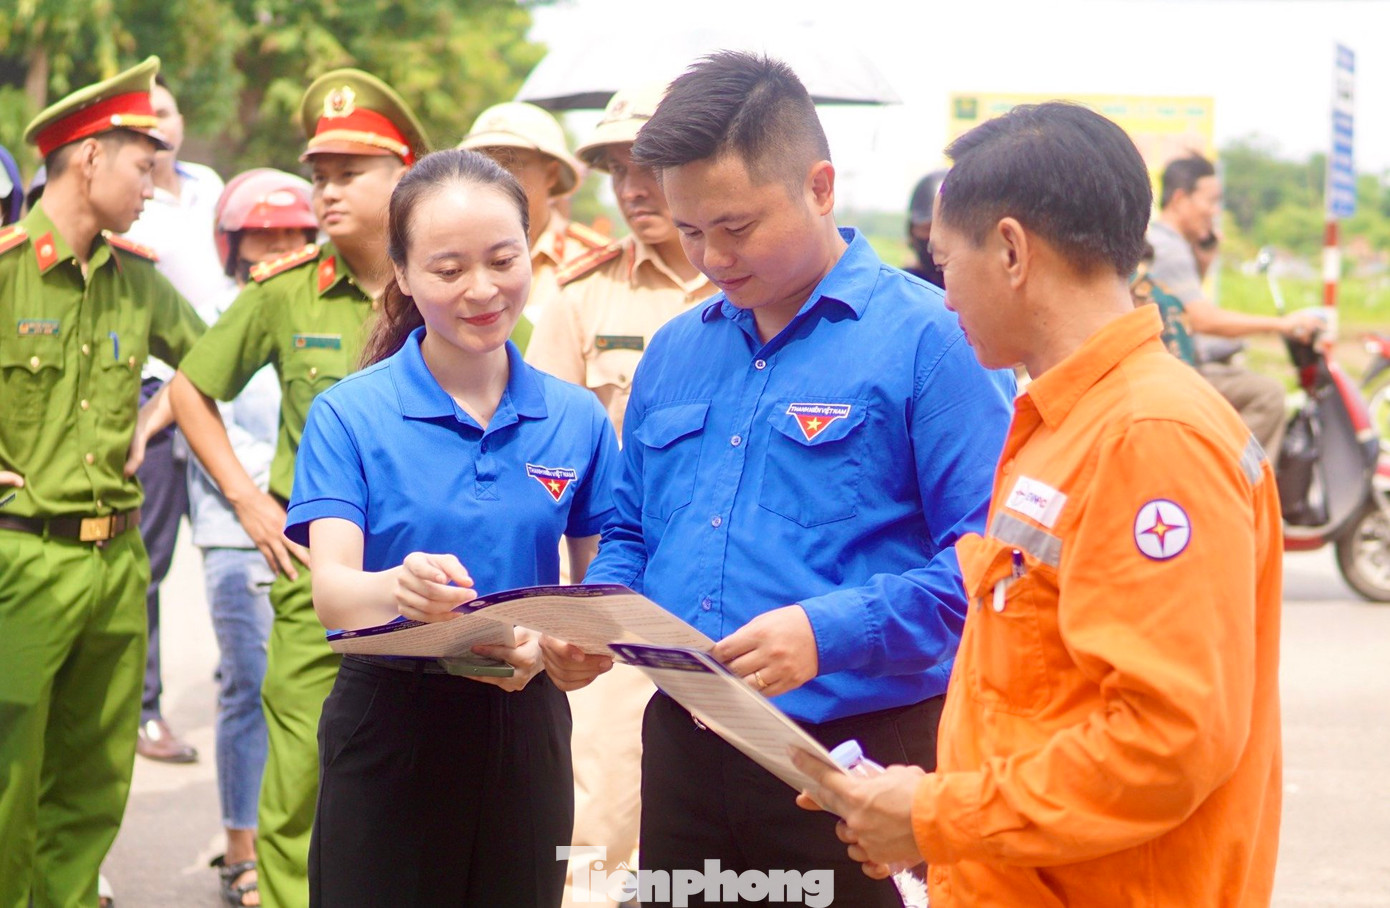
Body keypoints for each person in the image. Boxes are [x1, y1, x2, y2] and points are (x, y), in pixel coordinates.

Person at [540, 52, 1014, 907]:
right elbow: (634, 530)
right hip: (689, 746)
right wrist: (596, 618)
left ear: (820, 186)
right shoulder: (678, 351)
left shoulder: (929, 339)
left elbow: (987, 563)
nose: (713, 256)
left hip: (859, 760)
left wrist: (829, 632)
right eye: (689, 232)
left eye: (736, 225)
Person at [794, 102, 1283, 908]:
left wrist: (938, 813)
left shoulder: (1149, 438)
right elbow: (1043, 696)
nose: (943, 295)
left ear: (1013, 251)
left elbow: (1166, 744)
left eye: (946, 262)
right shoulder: (1067, 421)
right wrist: (919, 807)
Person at [285, 148, 619, 906]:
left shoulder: (575, 417)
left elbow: (601, 575)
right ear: (401, 273)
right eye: (447, 270)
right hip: (393, 720)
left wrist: (574, 643)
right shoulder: (351, 414)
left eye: (503, 260)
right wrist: (398, 587)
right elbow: (334, 596)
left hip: (524, 722)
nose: (482, 290)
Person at [167, 69, 426, 908]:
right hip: (317, 584)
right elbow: (188, 388)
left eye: (351, 172)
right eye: (318, 173)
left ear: (406, 173)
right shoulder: (284, 294)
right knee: (300, 790)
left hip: (435, 583)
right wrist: (248, 500)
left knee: (425, 783)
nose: (326, 191)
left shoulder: (453, 286)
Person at [0, 56, 206, 907]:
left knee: (91, 782)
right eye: (140, 164)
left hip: (118, 568)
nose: (153, 185)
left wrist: (156, 419)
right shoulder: (6, 269)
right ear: (88, 159)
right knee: (9, 780)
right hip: (22, 565)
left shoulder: (141, 281)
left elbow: (213, 364)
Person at [524, 82, 715, 907]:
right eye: (613, 169)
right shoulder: (579, 295)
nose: (632, 187)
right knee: (599, 828)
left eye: (647, 164)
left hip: (741, 608)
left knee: (723, 842)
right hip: (619, 593)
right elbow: (542, 456)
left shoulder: (757, 291)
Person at [191, 168, 319, 908]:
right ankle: (243, 844)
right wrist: (256, 504)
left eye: (290, 233)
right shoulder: (223, 310)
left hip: (313, 536)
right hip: (240, 529)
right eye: (260, 234)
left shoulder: (316, 301)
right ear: (231, 244)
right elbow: (199, 402)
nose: (276, 244)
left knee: (306, 700)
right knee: (248, 684)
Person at [123, 72, 233, 765]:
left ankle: (242, 693)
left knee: (238, 551)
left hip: (226, 389)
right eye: (145, 116)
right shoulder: (128, 205)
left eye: (166, 110)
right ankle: (143, 711)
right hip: (157, 395)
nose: (159, 124)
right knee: (149, 562)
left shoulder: (212, 187)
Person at [1147, 153, 1319, 458]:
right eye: (1211, 201)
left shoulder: (1164, 242)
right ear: (1179, 199)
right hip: (1175, 371)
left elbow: (1182, 308)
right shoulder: (1169, 248)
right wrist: (1282, 325)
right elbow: (1201, 319)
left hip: (1170, 364)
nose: (1214, 212)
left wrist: (1204, 255)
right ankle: (1225, 477)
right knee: (1269, 394)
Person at [458, 101, 609, 350]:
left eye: (510, 164)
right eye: (480, 166)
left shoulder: (597, 265)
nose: (492, 180)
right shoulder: (444, 262)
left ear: (551, 174)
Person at [904, 170, 946, 287]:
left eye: (943, 230)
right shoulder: (902, 287)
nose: (933, 238)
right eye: (927, 228)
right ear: (912, 232)